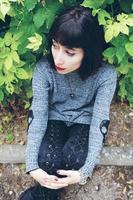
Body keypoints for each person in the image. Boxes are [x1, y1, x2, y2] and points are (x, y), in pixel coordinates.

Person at [18, 5, 117, 200]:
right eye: (55, 46)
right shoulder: (45, 69)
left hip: (84, 120)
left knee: (74, 158)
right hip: (56, 116)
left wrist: (84, 173)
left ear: (88, 52)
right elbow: (37, 115)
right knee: (46, 159)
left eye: (69, 53)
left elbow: (100, 119)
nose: (58, 59)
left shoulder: (106, 75)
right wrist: (32, 167)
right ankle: (48, 194)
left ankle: (41, 194)